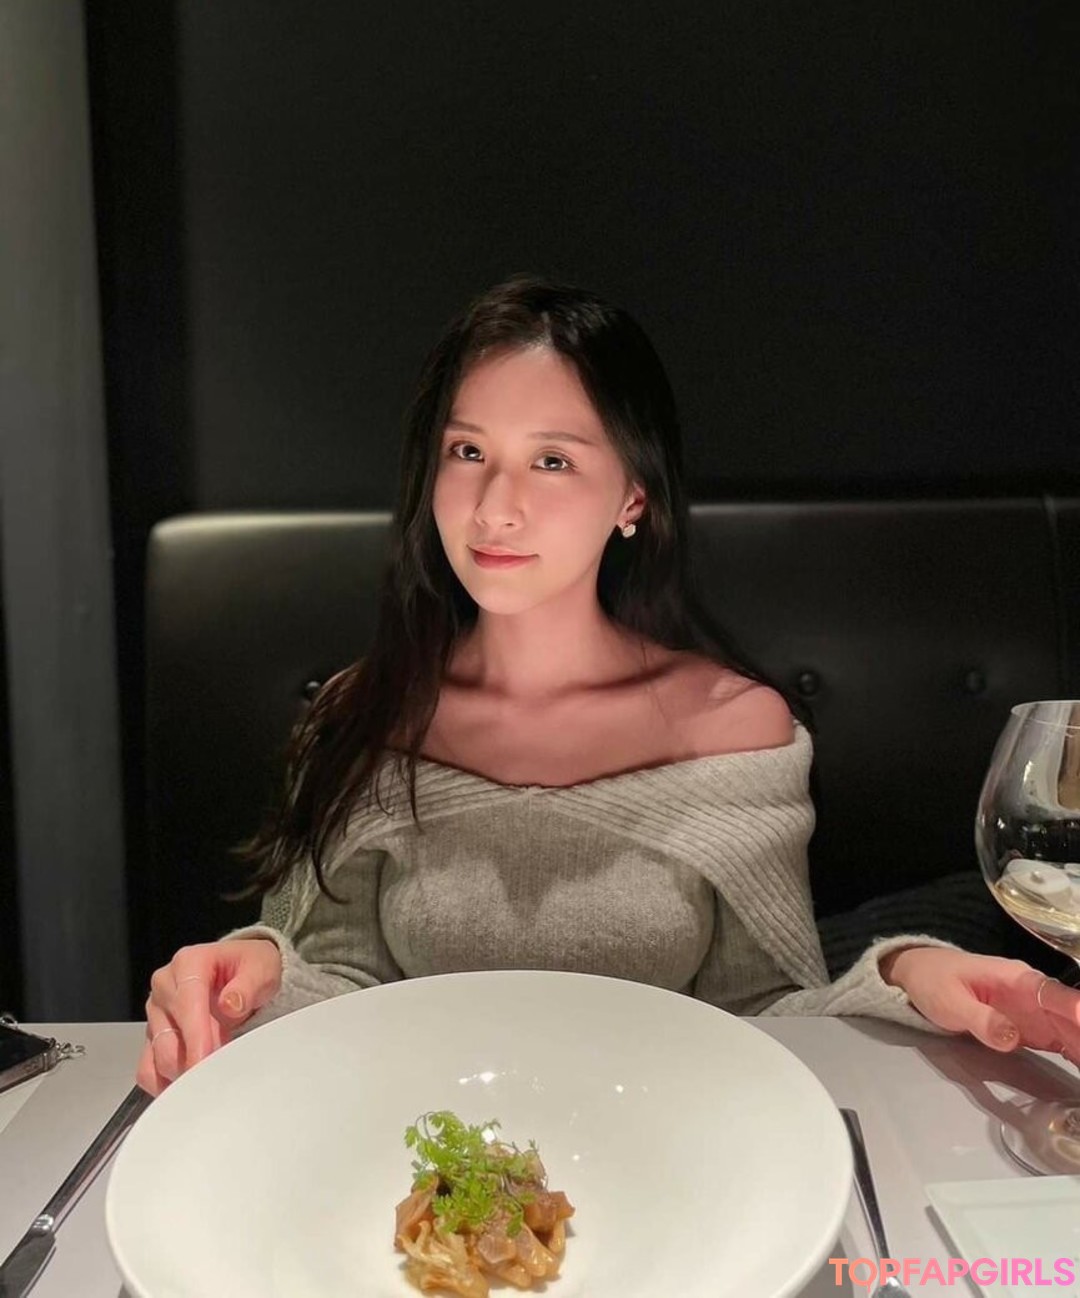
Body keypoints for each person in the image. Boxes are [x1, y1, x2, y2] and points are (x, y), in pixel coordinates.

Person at [138, 274, 1080, 1096]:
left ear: (633, 494)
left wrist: (907, 972)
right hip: (418, 1161)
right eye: (468, 452)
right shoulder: (363, 714)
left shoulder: (735, 730)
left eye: (552, 461)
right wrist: (250, 971)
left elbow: (762, 1014)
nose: (495, 508)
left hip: (655, 1161)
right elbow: (338, 990)